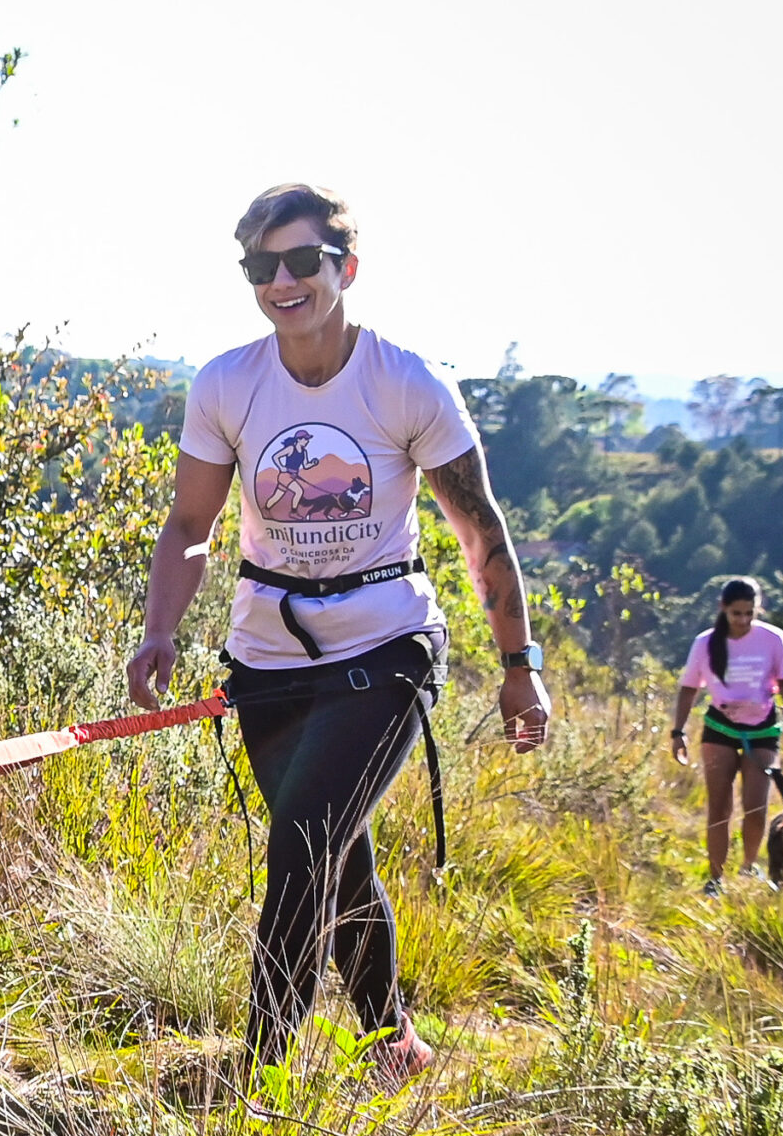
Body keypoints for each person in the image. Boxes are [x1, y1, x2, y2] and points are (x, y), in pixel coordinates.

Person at [127, 183, 549, 1087]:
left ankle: (262, 1070)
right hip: (268, 657)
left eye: (301, 261)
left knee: (305, 838)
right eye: (261, 266)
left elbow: (481, 532)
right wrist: (160, 628)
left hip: (386, 647)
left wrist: (520, 666)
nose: (282, 280)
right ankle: (391, 1040)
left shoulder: (407, 382)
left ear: (344, 268)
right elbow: (190, 526)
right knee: (333, 848)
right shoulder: (227, 383)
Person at [666, 577, 783, 893]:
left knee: (756, 806)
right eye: (736, 613)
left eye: (748, 613)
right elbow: (688, 689)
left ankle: (748, 867)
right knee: (719, 806)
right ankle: (715, 877)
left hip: (763, 729)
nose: (742, 620)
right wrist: (678, 731)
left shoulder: (773, 639)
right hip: (720, 729)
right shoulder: (706, 643)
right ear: (723, 609)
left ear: (757, 610)